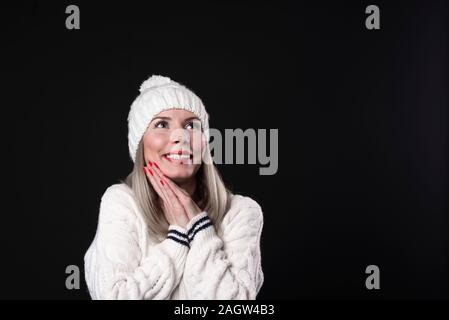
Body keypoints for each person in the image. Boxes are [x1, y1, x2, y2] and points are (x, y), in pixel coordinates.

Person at [84, 75, 264, 299]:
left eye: (191, 125)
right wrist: (177, 238)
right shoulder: (121, 202)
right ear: (140, 144)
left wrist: (199, 229)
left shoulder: (241, 212)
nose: (180, 137)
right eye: (161, 124)